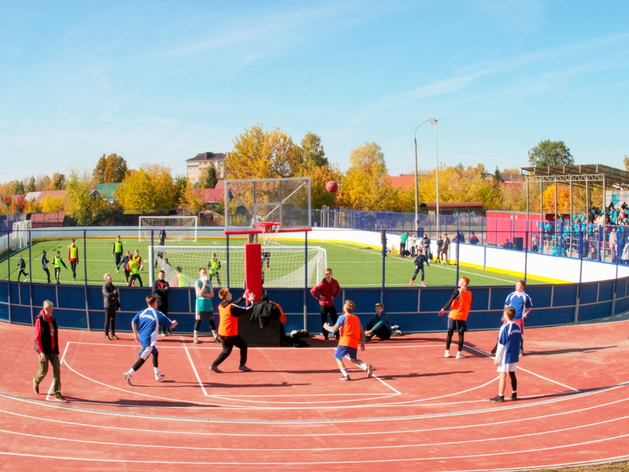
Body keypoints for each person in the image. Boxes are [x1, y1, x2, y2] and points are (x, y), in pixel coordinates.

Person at [123, 295, 178, 385]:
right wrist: (175, 322)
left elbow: (133, 321)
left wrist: (135, 333)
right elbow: (171, 325)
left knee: (155, 353)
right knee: (142, 359)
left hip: (142, 337)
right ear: (154, 303)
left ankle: (157, 374)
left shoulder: (142, 312)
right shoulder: (157, 314)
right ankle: (129, 374)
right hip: (148, 341)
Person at [324, 300, 374, 381]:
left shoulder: (342, 317)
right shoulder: (356, 318)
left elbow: (333, 329)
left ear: (345, 308)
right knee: (353, 359)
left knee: (337, 357)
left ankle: (345, 375)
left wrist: (326, 327)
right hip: (354, 342)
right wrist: (363, 343)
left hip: (345, 341)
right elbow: (361, 331)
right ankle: (366, 367)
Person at [210, 287, 255, 373]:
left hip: (222, 332)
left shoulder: (221, 305)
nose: (231, 294)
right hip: (230, 333)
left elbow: (233, 305)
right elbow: (248, 309)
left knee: (226, 351)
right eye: (229, 293)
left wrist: (242, 298)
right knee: (243, 346)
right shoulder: (232, 307)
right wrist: (252, 300)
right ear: (226, 296)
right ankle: (242, 365)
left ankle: (214, 365)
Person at [33, 300, 66, 402]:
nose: (53, 309)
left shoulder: (52, 319)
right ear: (46, 309)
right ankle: (36, 381)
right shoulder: (40, 320)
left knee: (57, 370)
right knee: (44, 370)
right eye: (51, 308)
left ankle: (57, 393)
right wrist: (41, 352)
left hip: (53, 350)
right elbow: (37, 337)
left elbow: (55, 334)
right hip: (44, 350)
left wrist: (56, 349)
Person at [490, 307, 522, 402]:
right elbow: (520, 340)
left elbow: (501, 344)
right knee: (512, 373)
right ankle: (514, 393)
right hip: (514, 354)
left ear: (507, 315)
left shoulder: (505, 327)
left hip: (505, 355)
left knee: (502, 375)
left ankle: (501, 395)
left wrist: (497, 358)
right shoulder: (517, 326)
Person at [438, 276, 472, 359]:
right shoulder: (470, 293)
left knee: (450, 333)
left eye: (460, 280)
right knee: (461, 334)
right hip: (462, 315)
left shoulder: (458, 291)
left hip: (453, 314)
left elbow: (451, 300)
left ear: (464, 283)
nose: (459, 281)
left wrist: (443, 308)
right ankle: (459, 353)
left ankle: (447, 351)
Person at [499, 280, 532, 355]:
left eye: (519, 285)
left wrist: (526, 313)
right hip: (509, 318)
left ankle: (521, 349)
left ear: (522, 287)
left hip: (519, 318)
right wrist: (504, 316)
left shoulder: (525, 297)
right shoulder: (511, 295)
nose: (517, 287)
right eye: (516, 285)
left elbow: (529, 307)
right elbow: (506, 307)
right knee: (503, 331)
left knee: (519, 334)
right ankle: (499, 345)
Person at [310, 268, 341, 341]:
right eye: (326, 274)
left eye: (329, 273)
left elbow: (338, 289)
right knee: (324, 320)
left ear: (331, 274)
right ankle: (326, 336)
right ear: (325, 275)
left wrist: (334, 296)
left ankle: (337, 335)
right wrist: (319, 298)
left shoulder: (334, 282)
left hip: (331, 304)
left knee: (335, 319)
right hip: (323, 305)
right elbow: (312, 291)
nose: (328, 275)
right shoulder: (322, 284)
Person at [194, 267, 218, 343]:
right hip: (200, 305)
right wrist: (204, 285)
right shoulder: (197, 282)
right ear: (200, 274)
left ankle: (215, 336)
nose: (204, 274)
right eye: (203, 273)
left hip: (208, 305)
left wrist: (203, 293)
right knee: (198, 321)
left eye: (205, 273)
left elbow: (212, 294)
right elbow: (199, 293)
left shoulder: (209, 282)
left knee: (211, 320)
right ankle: (195, 337)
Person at [153, 270, 171, 336]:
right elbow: (155, 290)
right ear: (158, 275)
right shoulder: (155, 282)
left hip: (164, 301)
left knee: (164, 316)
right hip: (157, 302)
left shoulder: (166, 283)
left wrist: (160, 289)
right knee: (157, 317)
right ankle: (155, 330)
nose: (161, 276)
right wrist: (163, 290)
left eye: (163, 275)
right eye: (160, 275)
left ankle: (164, 331)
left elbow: (168, 290)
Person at [102, 273, 120, 340]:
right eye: (109, 278)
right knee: (107, 320)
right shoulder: (105, 286)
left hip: (113, 305)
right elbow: (107, 295)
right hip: (108, 305)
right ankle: (106, 334)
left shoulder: (112, 286)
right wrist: (113, 294)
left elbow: (116, 294)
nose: (110, 279)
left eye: (111, 278)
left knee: (113, 320)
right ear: (106, 279)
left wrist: (114, 296)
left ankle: (113, 334)